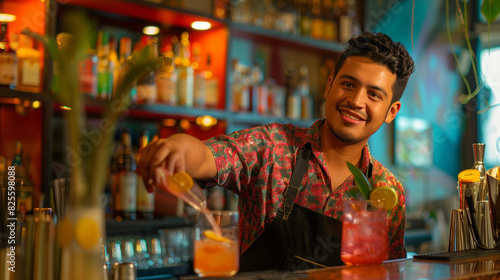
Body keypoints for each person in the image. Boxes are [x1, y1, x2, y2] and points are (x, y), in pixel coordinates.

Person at [138, 31, 415, 271]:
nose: (356, 100)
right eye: (348, 84)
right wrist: (175, 148)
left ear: (391, 111)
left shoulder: (387, 191)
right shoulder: (272, 147)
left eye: (374, 94)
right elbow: (206, 155)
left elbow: (390, 272)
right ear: (330, 86)